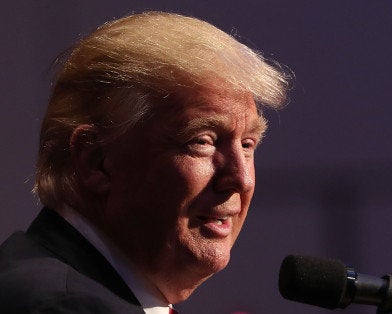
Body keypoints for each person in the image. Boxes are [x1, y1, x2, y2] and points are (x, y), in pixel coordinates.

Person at [0, 11, 290, 313]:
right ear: (96, 161)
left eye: (247, 145)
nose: (241, 179)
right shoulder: (67, 307)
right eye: (202, 141)